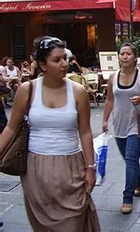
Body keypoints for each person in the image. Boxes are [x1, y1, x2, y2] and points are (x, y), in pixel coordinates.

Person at [0, 36, 100, 230]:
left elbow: (85, 132)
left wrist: (90, 168)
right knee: (42, 225)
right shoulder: (27, 90)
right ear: (43, 65)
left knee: (73, 222)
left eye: (65, 58)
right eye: (57, 60)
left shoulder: (78, 92)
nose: (64, 64)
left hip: (71, 166)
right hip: (36, 168)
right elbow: (11, 128)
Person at [102, 43, 140, 214]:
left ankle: (127, 198)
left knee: (131, 159)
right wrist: (105, 120)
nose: (124, 56)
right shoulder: (112, 76)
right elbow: (109, 100)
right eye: (122, 53)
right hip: (119, 124)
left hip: (137, 125)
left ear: (134, 57)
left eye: (128, 54)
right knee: (128, 160)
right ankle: (138, 180)